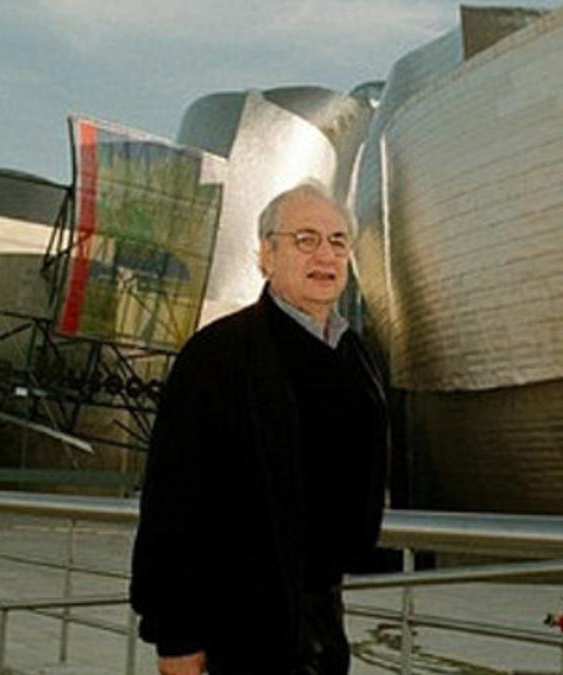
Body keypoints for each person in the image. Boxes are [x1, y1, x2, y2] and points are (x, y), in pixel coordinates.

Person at [130, 182, 388, 675]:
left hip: (320, 629)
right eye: (305, 239)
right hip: (234, 633)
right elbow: (172, 502)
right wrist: (176, 634)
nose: (325, 255)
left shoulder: (357, 358)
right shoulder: (217, 356)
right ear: (265, 255)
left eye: (337, 241)